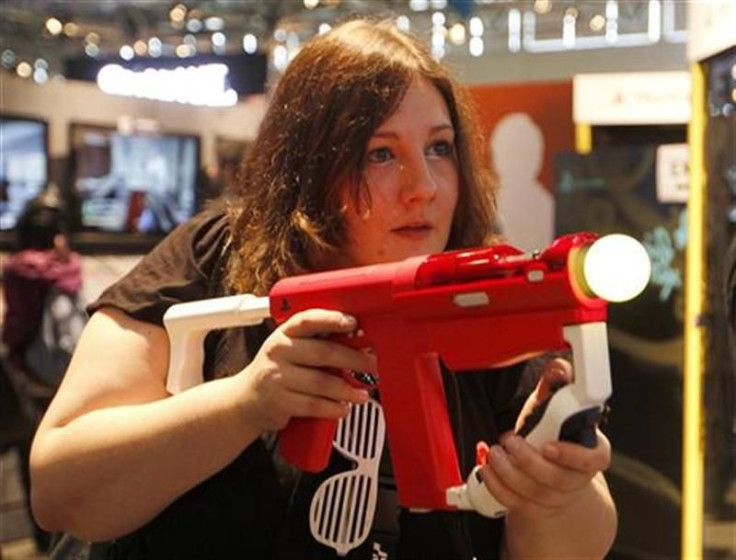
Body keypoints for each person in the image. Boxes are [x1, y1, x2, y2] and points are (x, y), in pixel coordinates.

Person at [30, 18, 617, 560]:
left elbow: (576, 544)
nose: (425, 187)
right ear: (311, 166)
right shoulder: (214, 255)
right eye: (380, 154)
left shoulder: (470, 292)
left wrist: (553, 493)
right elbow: (61, 489)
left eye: (440, 148)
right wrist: (243, 405)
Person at [1, 186, 84, 554]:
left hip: (31, 378)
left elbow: (18, 327)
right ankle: (64, 539)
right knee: (67, 456)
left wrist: (13, 354)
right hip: (68, 375)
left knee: (29, 457)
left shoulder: (18, 271)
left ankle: (38, 539)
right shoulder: (71, 268)